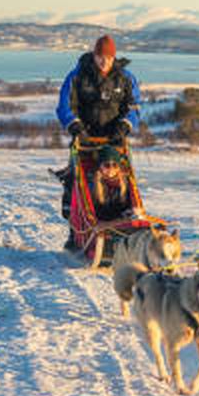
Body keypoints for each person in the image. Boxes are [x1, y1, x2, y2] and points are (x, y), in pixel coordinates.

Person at [56, 34, 141, 250]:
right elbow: (64, 106)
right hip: (84, 138)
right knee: (76, 183)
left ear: (114, 57)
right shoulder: (77, 76)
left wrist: (125, 125)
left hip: (114, 139)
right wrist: (75, 125)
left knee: (119, 180)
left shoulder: (125, 78)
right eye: (100, 57)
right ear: (94, 55)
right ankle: (75, 232)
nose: (104, 61)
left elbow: (134, 107)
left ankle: (124, 226)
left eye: (108, 58)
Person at [92, 146, 131, 221]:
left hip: (123, 223)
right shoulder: (93, 184)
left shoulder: (125, 182)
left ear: (119, 167)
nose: (111, 168)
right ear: (100, 167)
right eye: (106, 165)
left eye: (115, 165)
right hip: (100, 224)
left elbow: (129, 206)